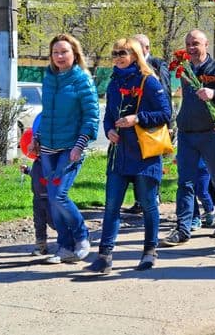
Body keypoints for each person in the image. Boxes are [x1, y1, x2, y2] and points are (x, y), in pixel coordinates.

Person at [85, 38, 171, 274]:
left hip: (144, 155)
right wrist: (109, 130)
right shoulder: (113, 83)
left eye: (122, 53)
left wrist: (138, 118)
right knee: (111, 206)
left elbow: (166, 113)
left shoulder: (149, 81)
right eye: (114, 54)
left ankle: (149, 252)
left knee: (148, 205)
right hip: (119, 155)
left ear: (134, 55)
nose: (118, 57)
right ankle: (104, 256)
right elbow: (108, 115)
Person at [161, 29, 215, 247]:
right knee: (185, 182)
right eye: (188, 44)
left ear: (206, 45)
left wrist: (214, 94)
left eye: (195, 43)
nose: (191, 48)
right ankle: (183, 228)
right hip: (187, 133)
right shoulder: (184, 69)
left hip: (212, 133)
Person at [33, 33, 99, 264]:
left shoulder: (82, 80)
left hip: (70, 148)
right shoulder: (49, 78)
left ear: (75, 54)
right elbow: (47, 114)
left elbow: (91, 117)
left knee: (60, 195)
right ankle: (65, 246)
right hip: (47, 149)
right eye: (56, 52)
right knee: (52, 198)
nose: (60, 56)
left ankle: (82, 236)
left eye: (64, 52)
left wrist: (79, 146)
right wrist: (37, 137)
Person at [125, 33, 172, 215]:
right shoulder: (130, 65)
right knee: (135, 160)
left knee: (151, 160)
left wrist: (168, 122)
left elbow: (165, 93)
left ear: (146, 48)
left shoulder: (157, 65)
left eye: (136, 47)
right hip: (132, 122)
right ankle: (139, 200)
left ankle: (153, 197)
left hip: (153, 121)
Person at [21, 159, 54, 255]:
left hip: (50, 199)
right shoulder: (36, 163)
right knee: (39, 223)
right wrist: (27, 170)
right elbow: (35, 174)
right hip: (38, 198)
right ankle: (41, 246)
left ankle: (68, 241)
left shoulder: (51, 160)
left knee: (54, 222)